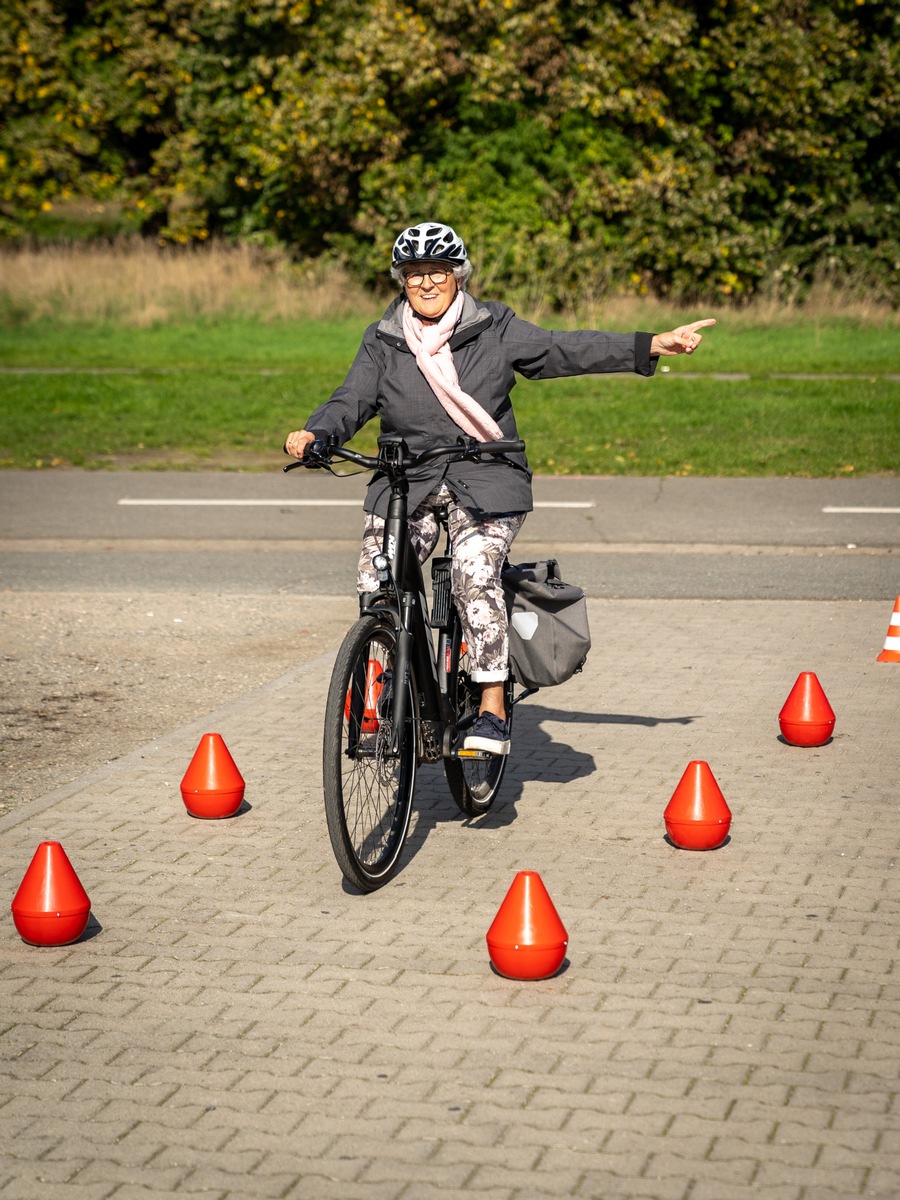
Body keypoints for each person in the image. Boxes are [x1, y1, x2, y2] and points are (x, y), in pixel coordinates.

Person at [285, 221, 715, 755]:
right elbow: (351, 398)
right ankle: (386, 684)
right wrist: (317, 432)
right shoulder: (383, 338)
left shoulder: (494, 326)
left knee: (473, 572)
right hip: (409, 480)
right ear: (401, 280)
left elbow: (564, 350)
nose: (426, 283)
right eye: (414, 273)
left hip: (486, 475)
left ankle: (490, 706)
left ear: (458, 276)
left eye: (437, 271)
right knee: (378, 572)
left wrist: (650, 344)